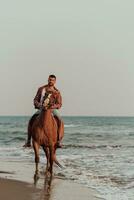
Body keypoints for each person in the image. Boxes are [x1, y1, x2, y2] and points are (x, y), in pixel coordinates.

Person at [24, 74, 63, 148]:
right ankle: (28, 140)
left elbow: (59, 104)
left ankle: (58, 141)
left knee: (59, 119)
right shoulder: (41, 89)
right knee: (32, 119)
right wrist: (39, 105)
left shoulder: (57, 92)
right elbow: (35, 99)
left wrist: (53, 107)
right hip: (41, 108)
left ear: (55, 81)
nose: (50, 81)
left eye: (52, 80)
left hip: (52, 109)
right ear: (47, 79)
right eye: (49, 79)